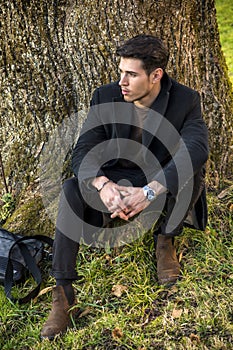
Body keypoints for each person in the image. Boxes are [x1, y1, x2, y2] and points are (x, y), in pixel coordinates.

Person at [41, 34, 208, 339]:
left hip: (157, 185)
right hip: (115, 183)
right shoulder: (105, 96)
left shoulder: (186, 100)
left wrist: (150, 191)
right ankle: (63, 292)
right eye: (121, 72)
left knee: (191, 170)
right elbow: (84, 149)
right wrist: (103, 185)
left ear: (156, 75)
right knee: (70, 189)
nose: (123, 81)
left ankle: (165, 240)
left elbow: (196, 147)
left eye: (131, 74)